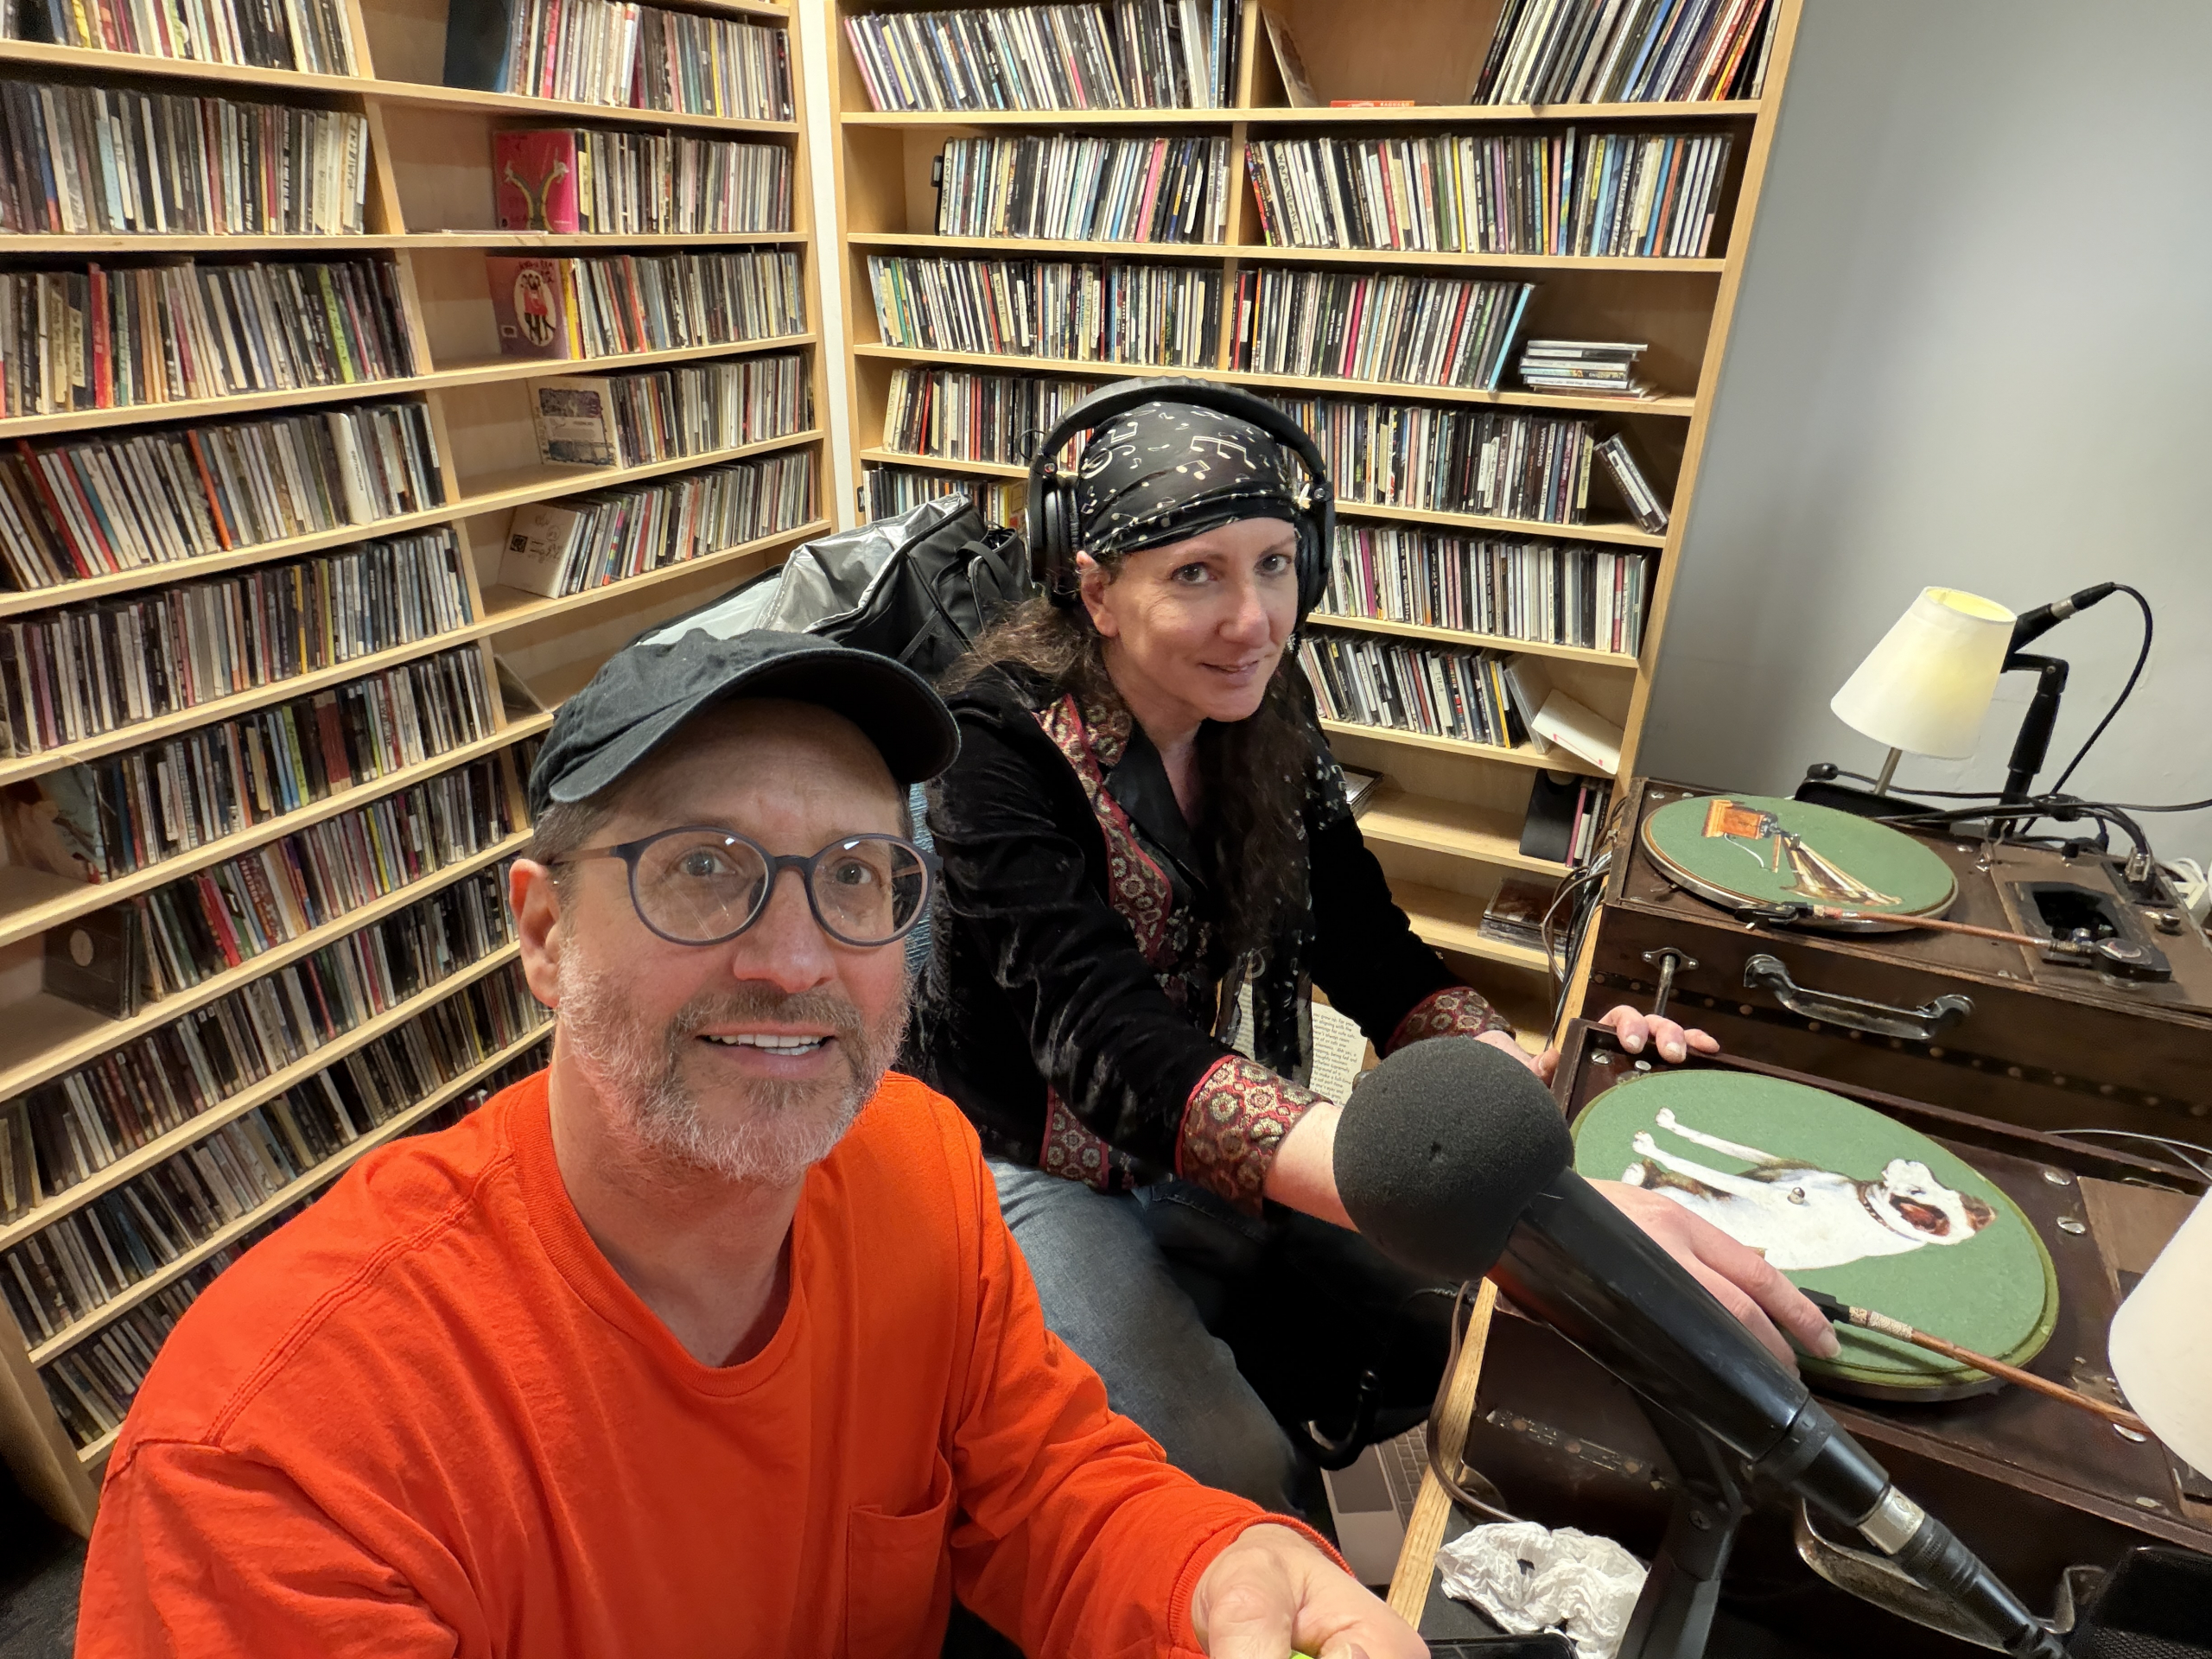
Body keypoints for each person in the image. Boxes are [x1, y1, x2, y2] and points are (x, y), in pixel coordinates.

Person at [75, 629, 1426, 1659]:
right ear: (544, 935)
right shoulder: (276, 1455)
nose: (794, 963)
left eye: (855, 877)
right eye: (704, 868)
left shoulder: (920, 1170)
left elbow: (1049, 1487)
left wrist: (1208, 1569)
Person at [910, 388, 1840, 1512]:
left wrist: (1502, 1076)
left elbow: (1366, 942)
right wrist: (1463, 1197)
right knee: (1240, 1479)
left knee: (1473, 1327)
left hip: (1183, 1125)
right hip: (1018, 1160)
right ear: (1096, 591)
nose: (1255, 621)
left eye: (1274, 565)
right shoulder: (993, 746)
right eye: (1195, 574)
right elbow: (1103, 1044)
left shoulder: (1263, 701)